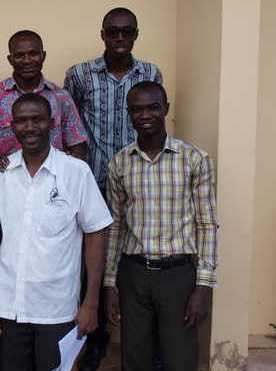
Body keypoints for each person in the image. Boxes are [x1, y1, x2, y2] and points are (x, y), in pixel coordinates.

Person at [64, 8, 162, 371]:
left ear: (136, 34)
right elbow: (69, 125)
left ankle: (144, 344)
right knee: (91, 267)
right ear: (102, 34)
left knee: (134, 263)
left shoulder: (150, 73)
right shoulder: (79, 74)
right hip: (91, 185)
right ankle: (94, 342)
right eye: (113, 32)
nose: (120, 38)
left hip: (139, 185)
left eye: (127, 32)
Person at [0, 94, 111, 371]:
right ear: (12, 125)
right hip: (10, 308)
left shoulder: (76, 172)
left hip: (58, 309)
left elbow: (95, 235)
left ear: (52, 123)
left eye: (38, 119)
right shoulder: (1, 175)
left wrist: (91, 302)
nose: (30, 127)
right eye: (22, 120)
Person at [104, 81, 219, 371]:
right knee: (135, 358)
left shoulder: (194, 159)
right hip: (134, 274)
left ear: (165, 109)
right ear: (128, 113)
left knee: (179, 360)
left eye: (153, 107)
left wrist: (203, 286)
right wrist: (110, 284)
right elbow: (116, 226)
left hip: (177, 276)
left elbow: (206, 224)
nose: (146, 115)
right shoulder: (119, 164)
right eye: (137, 109)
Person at [0, 29, 87, 174]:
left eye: (33, 53)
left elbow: (77, 145)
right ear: (10, 59)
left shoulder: (61, 97)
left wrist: (73, 174)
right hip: (8, 179)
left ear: (43, 55)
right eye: (19, 55)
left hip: (53, 179)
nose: (27, 60)